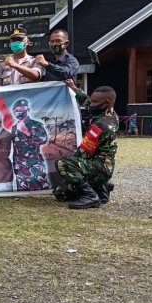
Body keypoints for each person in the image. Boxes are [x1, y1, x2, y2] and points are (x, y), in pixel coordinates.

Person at [54, 80, 118, 208]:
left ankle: (90, 196)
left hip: (100, 167)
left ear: (107, 102)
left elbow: (82, 154)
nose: (91, 104)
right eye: (92, 100)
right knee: (60, 193)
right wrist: (74, 88)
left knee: (62, 164)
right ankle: (102, 189)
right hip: (102, 165)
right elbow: (88, 102)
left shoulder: (101, 125)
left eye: (95, 102)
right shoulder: (111, 114)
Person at [11, 98, 50, 191]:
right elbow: (14, 147)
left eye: (21, 109)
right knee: (22, 192)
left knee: (40, 189)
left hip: (34, 164)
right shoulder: (14, 128)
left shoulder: (36, 124)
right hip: (20, 166)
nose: (18, 111)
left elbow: (43, 139)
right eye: (16, 110)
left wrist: (26, 132)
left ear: (27, 109)